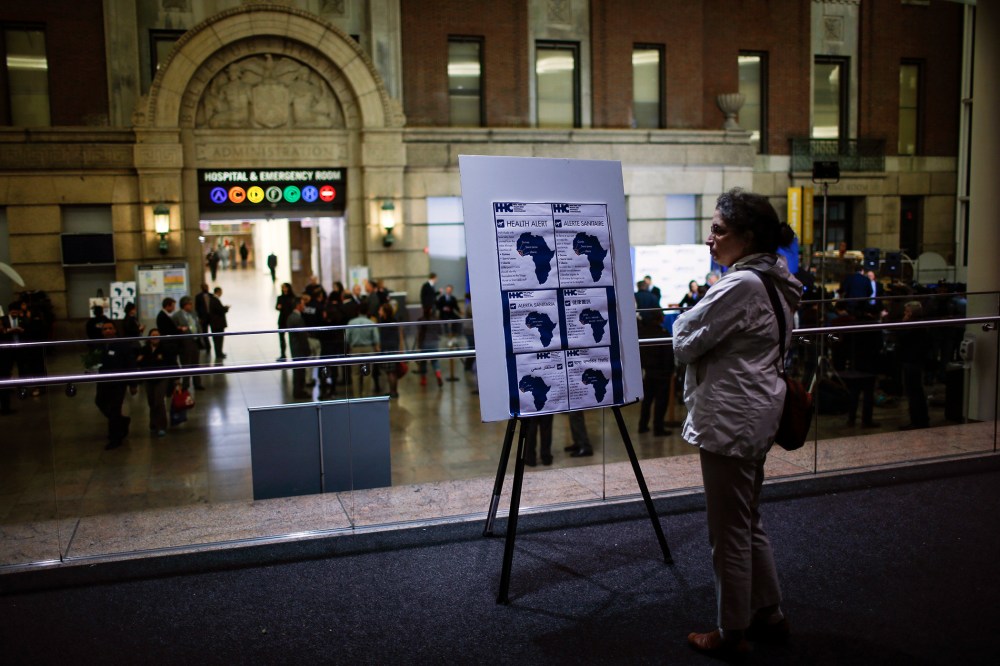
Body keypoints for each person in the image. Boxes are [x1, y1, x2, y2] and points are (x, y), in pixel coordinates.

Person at [672, 188, 801, 656]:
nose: (710, 239)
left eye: (719, 230)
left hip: (731, 420)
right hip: (757, 413)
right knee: (748, 521)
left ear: (747, 238)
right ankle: (770, 614)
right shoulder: (775, 280)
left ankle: (731, 634)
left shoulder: (741, 285)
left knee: (727, 530)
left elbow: (684, 337)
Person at [94, 321, 138, 450]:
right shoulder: (100, 345)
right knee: (100, 402)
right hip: (103, 382)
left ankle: (115, 438)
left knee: (114, 409)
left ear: (115, 330)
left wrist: (133, 383)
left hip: (118, 383)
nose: (108, 331)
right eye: (105, 329)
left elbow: (130, 363)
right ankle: (122, 421)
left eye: (110, 328)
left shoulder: (122, 345)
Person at [895, 300, 931, 430]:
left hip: (912, 361)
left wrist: (903, 323)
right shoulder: (921, 326)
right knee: (916, 392)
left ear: (910, 313)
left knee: (913, 393)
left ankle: (918, 421)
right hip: (915, 360)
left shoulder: (914, 327)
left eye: (906, 311)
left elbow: (901, 338)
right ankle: (920, 420)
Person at [638, 309, 673, 436]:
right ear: (660, 318)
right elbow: (668, 356)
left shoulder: (643, 332)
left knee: (647, 400)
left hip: (648, 372)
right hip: (661, 373)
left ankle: (642, 425)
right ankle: (658, 428)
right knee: (661, 401)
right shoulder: (663, 334)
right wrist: (670, 371)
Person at [136, 329, 175, 436]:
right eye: (152, 335)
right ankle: (153, 424)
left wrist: (177, 380)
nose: (155, 337)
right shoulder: (144, 349)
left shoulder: (165, 349)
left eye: (157, 335)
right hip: (149, 379)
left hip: (161, 379)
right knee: (151, 402)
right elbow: (140, 363)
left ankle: (161, 426)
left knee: (159, 402)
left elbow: (171, 363)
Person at [344, 301, 380, 396]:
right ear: (367, 311)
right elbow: (376, 338)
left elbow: (347, 338)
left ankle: (356, 396)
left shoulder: (351, 322)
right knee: (367, 374)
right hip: (368, 349)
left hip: (355, 349)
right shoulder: (371, 322)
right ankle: (366, 395)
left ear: (358, 311)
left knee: (355, 374)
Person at [171, 296, 206, 390]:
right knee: (186, 364)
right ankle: (185, 384)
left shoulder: (193, 313)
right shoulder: (176, 316)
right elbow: (174, 329)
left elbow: (197, 325)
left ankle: (197, 383)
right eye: (189, 304)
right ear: (184, 305)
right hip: (184, 342)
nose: (191, 306)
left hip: (195, 341)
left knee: (196, 363)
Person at [286, 296, 311, 399]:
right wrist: (307, 349)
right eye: (302, 303)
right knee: (299, 371)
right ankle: (299, 391)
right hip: (299, 349)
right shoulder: (297, 319)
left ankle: (298, 390)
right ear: (298, 305)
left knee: (298, 371)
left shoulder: (291, 317)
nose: (304, 305)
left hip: (295, 347)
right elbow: (302, 337)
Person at [377, 302, 403, 398]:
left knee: (390, 372)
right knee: (393, 371)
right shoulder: (394, 321)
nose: (379, 311)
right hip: (393, 348)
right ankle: (394, 391)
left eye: (380, 310)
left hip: (388, 349)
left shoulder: (384, 322)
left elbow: (383, 337)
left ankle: (393, 392)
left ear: (385, 312)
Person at [275, 282, 297, 361]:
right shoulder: (280, 297)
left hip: (290, 320)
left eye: (285, 287)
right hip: (282, 320)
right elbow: (277, 307)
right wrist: (279, 307)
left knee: (293, 338)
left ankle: (294, 354)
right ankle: (283, 354)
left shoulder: (293, 297)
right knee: (282, 339)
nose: (284, 289)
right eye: (282, 287)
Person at [208, 287, 229, 360]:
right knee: (218, 340)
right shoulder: (214, 300)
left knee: (218, 340)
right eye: (221, 292)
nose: (221, 293)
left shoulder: (214, 299)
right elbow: (219, 310)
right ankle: (218, 353)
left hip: (216, 324)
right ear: (218, 292)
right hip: (217, 324)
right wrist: (226, 308)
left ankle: (220, 352)